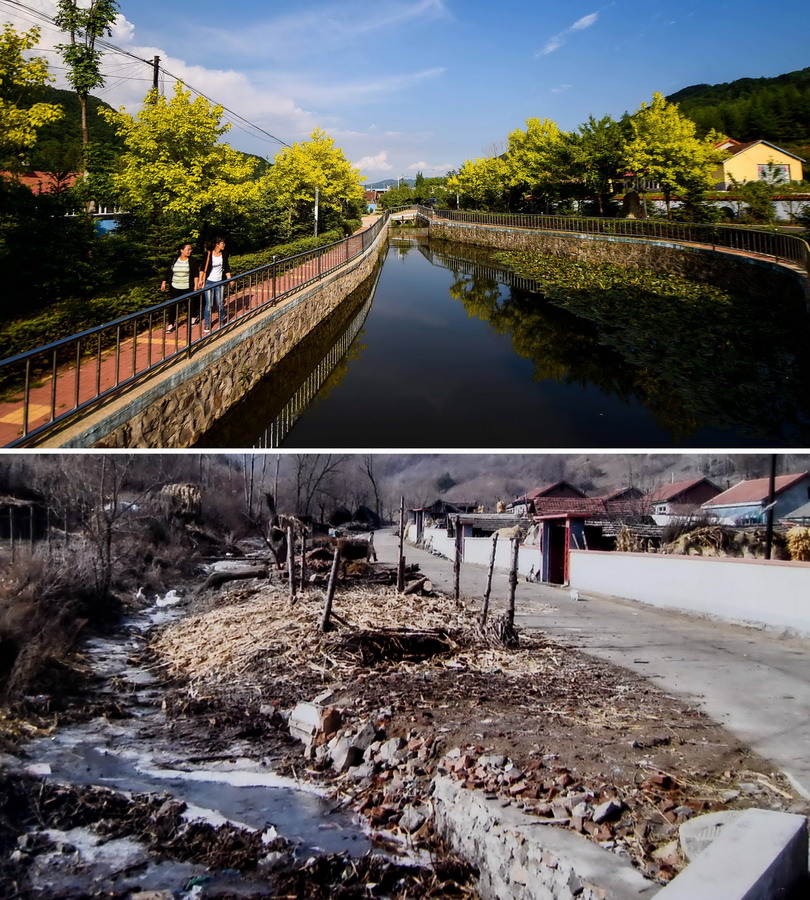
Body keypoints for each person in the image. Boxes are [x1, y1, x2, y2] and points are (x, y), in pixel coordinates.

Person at [160, 242, 201, 331]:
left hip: (187, 286)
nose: (190, 251)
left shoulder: (193, 261)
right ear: (181, 250)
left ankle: (193, 317)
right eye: (188, 249)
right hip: (175, 286)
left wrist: (196, 285)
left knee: (190, 304)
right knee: (173, 305)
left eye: (191, 249)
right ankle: (171, 324)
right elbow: (169, 272)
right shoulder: (174, 259)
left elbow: (195, 274)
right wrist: (164, 282)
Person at [200, 236, 232, 333]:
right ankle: (207, 323)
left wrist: (230, 279)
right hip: (209, 281)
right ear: (217, 244)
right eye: (222, 243)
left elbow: (226, 267)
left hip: (220, 281)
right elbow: (202, 268)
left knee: (219, 303)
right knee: (209, 304)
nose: (224, 245)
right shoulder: (208, 254)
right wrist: (201, 280)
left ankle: (221, 320)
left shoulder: (224, 254)